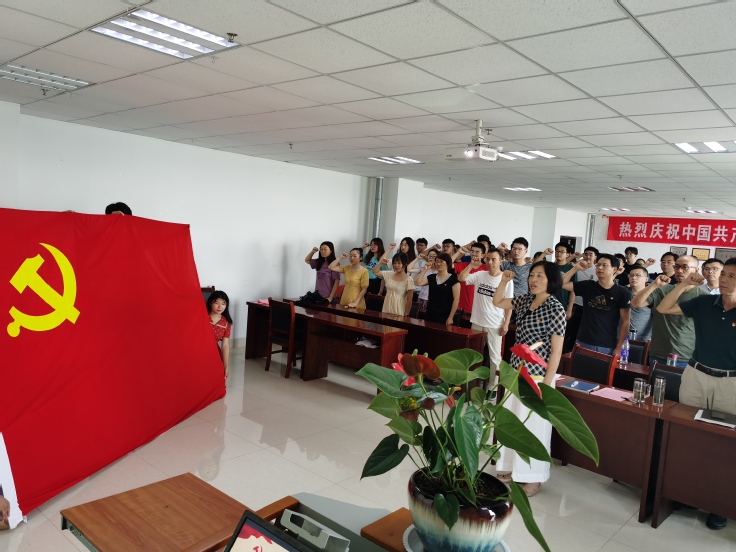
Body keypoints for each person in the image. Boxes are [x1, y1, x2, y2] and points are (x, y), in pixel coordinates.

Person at [655, 263, 736, 531]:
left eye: (732, 276)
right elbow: (663, 308)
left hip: (730, 383)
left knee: (724, 443)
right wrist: (684, 284)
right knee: (688, 434)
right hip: (696, 376)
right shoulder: (704, 302)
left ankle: (719, 505)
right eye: (724, 274)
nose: (724, 279)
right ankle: (688, 494)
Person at [493, 261, 566, 496]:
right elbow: (497, 302)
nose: (533, 280)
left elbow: (556, 352)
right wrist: (504, 281)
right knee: (514, 422)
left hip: (538, 376)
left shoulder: (555, 308)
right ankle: (510, 467)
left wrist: (546, 385)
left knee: (534, 427)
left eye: (540, 276)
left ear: (551, 280)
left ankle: (534, 478)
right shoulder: (525, 300)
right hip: (516, 371)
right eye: (532, 275)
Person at [631, 256, 705, 368]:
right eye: (677, 267)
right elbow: (636, 303)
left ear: (696, 270)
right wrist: (654, 284)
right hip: (658, 353)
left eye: (685, 267)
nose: (680, 271)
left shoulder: (702, 297)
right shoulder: (663, 290)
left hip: (685, 356)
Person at [459, 247, 512, 388]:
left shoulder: (506, 279)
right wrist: (471, 265)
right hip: (477, 321)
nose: (490, 262)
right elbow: (461, 278)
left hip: (495, 324)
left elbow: (509, 304)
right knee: (474, 355)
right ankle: (471, 385)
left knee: (495, 358)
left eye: (494, 259)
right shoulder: (480, 275)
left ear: (500, 261)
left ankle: (492, 387)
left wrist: (506, 323)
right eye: (487, 259)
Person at [562, 254, 632, 356]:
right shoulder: (588, 286)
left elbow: (625, 322)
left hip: (606, 345)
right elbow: (561, 284)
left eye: (604, 265)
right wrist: (575, 268)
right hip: (582, 341)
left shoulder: (622, 293)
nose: (600, 268)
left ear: (614, 269)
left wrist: (619, 347)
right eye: (598, 265)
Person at [565, 246, 598, 350]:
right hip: (575, 304)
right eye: (586, 254)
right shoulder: (577, 267)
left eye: (590, 255)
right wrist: (573, 257)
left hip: (590, 306)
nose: (587, 256)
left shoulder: (597, 270)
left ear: (595, 257)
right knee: (572, 332)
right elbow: (563, 264)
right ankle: (569, 351)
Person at [415, 252, 460, 325]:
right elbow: (417, 283)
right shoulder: (432, 277)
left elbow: (456, 300)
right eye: (437, 261)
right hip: (430, 313)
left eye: (441, 261)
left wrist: (451, 317)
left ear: (448, 263)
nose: (438, 264)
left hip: (445, 315)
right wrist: (425, 270)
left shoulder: (453, 280)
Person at [452, 242, 487, 318]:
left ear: (483, 255)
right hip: (461, 308)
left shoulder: (487, 269)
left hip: (478, 309)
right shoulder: (464, 265)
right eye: (472, 251)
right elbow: (446, 264)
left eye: (477, 252)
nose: (474, 254)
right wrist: (458, 252)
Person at [207, 291, 232, 378]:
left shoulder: (226, 323)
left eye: (223, 303)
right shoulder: (202, 316)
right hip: (197, 350)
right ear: (210, 303)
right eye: (216, 303)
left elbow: (225, 346)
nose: (220, 307)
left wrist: (226, 366)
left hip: (213, 353)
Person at [626, 265, 653, 340]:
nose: (634, 278)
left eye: (638, 275)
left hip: (644, 339)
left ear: (646, 279)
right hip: (622, 338)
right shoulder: (623, 292)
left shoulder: (652, 295)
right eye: (631, 275)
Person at [409, 249, 438, 315]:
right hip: (422, 297)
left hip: (432, 299)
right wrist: (417, 258)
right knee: (418, 316)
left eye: (434, 256)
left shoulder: (439, 271)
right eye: (430, 256)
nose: (431, 258)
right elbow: (409, 269)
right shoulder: (423, 268)